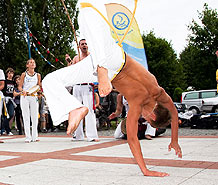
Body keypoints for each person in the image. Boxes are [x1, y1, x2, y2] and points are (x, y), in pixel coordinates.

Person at [42, 0, 181, 177]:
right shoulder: (139, 102)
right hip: (114, 61)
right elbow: (131, 139)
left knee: (49, 80)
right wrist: (145, 170)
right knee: (91, 13)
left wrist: (175, 141)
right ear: (152, 115)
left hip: (104, 65)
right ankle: (101, 70)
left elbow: (174, 113)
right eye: (147, 120)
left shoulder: (158, 92)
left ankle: (74, 107)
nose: (143, 119)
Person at [66, 39, 99, 142]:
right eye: (82, 44)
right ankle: (78, 135)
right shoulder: (77, 58)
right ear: (79, 46)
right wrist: (69, 62)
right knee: (76, 111)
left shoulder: (91, 57)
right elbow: (71, 71)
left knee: (89, 110)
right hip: (77, 86)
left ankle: (92, 135)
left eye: (85, 44)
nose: (84, 45)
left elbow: (96, 70)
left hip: (87, 86)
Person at [19, 59, 42, 143]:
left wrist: (39, 91)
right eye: (30, 62)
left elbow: (38, 86)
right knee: (26, 116)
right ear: (27, 65)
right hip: (25, 96)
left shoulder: (38, 75)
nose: (32, 64)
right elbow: (20, 86)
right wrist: (22, 91)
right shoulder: (24, 74)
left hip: (34, 96)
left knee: (35, 116)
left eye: (33, 62)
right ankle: (28, 136)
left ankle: (34, 136)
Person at [1, 68, 15, 136]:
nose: (10, 75)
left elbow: (14, 92)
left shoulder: (13, 82)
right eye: (9, 73)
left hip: (11, 100)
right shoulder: (5, 81)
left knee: (11, 114)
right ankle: (7, 130)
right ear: (7, 74)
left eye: (12, 73)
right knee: (5, 115)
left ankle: (3, 127)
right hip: (5, 99)